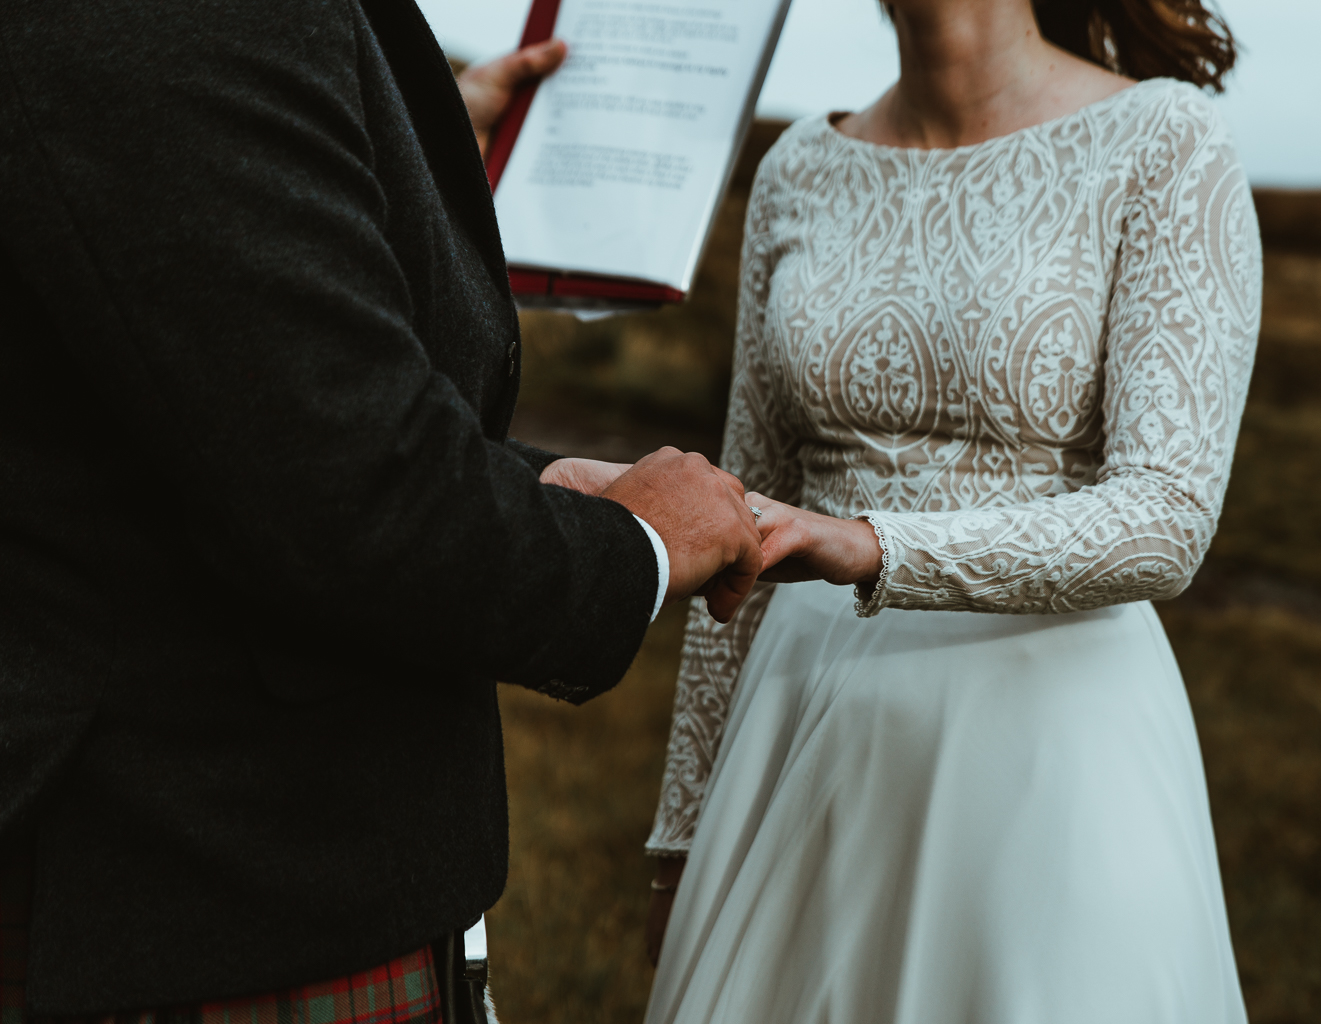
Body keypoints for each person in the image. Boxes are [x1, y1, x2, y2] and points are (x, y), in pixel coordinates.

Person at [0, 1, 760, 1019]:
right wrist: (637, 546)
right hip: (207, 888)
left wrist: (524, 481)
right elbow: (352, 493)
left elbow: (249, 404)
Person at [641, 0, 1263, 1020]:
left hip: (1052, 753)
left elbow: (1166, 516)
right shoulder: (799, 165)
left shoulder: (1165, 141)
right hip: (800, 736)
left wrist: (873, 545)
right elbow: (733, 513)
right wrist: (681, 833)